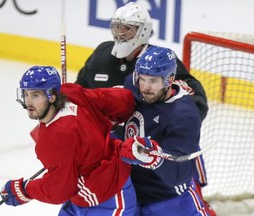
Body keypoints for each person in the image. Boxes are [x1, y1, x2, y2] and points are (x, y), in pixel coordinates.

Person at [75, 2, 215, 215]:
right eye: (118, 26)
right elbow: (82, 95)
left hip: (165, 145)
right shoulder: (103, 54)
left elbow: (195, 102)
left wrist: (161, 125)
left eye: (128, 28)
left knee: (180, 192)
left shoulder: (162, 63)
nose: (121, 33)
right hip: (124, 150)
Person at [0, 66, 138, 216]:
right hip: (84, 193)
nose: (28, 102)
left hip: (109, 197)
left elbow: (59, 190)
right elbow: (119, 100)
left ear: (52, 96)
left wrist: (24, 190)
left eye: (35, 95)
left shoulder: (55, 137)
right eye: (26, 94)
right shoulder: (69, 92)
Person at [122, 45, 207, 215]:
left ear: (169, 80)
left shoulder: (183, 116)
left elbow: (179, 175)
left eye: (153, 81)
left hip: (170, 202)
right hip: (131, 196)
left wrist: (155, 158)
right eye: (142, 79)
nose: (145, 87)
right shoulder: (133, 84)